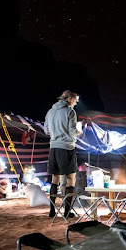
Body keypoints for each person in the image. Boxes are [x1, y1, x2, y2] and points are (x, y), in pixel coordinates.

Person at [44, 90, 82, 218]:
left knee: (55, 178)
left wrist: (56, 134)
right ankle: (66, 212)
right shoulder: (70, 112)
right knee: (71, 178)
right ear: (69, 98)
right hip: (66, 147)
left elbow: (46, 130)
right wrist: (79, 131)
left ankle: (52, 211)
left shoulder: (50, 111)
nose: (76, 103)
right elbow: (72, 131)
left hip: (53, 148)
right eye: (75, 100)